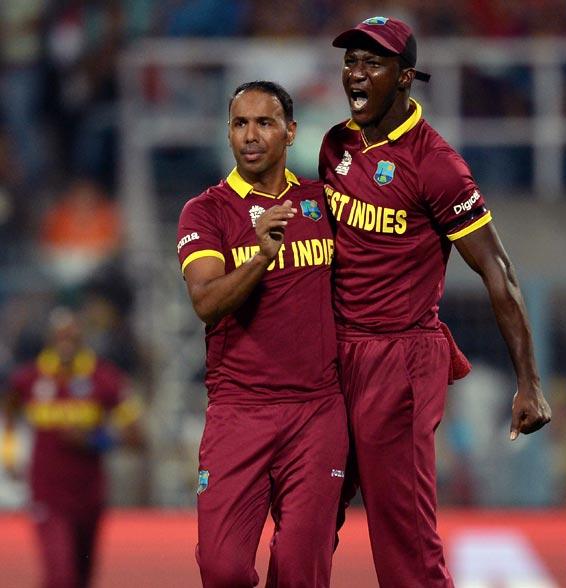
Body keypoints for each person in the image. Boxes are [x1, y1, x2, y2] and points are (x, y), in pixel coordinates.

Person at [319, 16, 552, 587]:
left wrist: (529, 381)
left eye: (372, 63)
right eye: (351, 61)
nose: (356, 72)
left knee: (402, 536)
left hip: (398, 358)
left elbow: (498, 270)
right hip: (332, 356)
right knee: (306, 516)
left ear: (405, 78)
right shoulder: (334, 145)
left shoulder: (437, 166)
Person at [176, 81, 348, 587]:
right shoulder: (206, 211)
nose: (251, 135)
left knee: (301, 570)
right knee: (223, 569)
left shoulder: (323, 204)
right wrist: (260, 257)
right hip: (239, 410)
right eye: (239, 123)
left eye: (265, 122)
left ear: (291, 132)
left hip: (317, 411)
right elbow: (206, 302)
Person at [1, 307, 143, 588]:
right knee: (60, 577)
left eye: (72, 335)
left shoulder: (104, 378)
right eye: (60, 336)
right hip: (47, 495)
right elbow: (9, 409)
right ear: (50, 339)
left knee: (80, 578)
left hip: (89, 495)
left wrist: (94, 439)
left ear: (82, 338)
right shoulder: (30, 378)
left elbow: (136, 438)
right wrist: (9, 451)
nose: (66, 341)